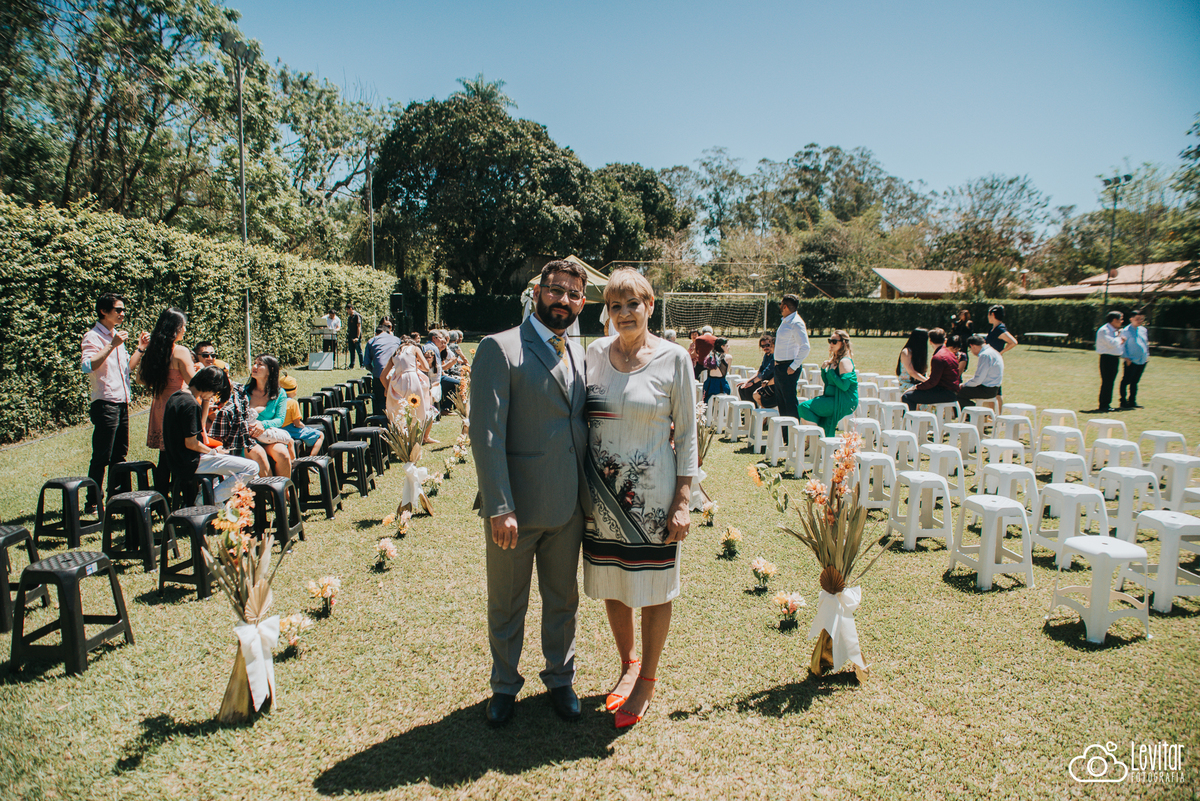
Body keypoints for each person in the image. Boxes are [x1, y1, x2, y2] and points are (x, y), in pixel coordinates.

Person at [470, 259, 590, 728]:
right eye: (555, 290)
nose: (563, 300)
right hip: (514, 511)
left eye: (573, 294)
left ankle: (561, 678)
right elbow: (487, 435)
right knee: (506, 603)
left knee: (563, 599)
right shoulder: (499, 347)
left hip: (568, 507)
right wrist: (499, 506)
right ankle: (504, 685)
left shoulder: (579, 351)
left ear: (582, 302)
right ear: (537, 291)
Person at [581, 268, 696, 729]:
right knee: (613, 581)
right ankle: (628, 664)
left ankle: (646, 679)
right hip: (600, 496)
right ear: (607, 312)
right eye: (616, 306)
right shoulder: (593, 354)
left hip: (652, 498)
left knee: (653, 586)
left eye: (633, 304)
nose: (625, 313)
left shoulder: (674, 359)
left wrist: (683, 500)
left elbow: (687, 435)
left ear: (650, 306)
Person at [81, 293, 149, 511]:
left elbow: (127, 368)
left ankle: (117, 498)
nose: (122, 314)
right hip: (105, 403)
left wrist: (140, 348)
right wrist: (112, 344)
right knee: (102, 455)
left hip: (121, 402)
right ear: (103, 311)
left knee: (119, 454)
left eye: (123, 310)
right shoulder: (93, 337)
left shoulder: (115, 336)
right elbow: (87, 366)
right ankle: (93, 501)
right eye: (118, 310)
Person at [161, 366, 260, 505]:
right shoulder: (191, 405)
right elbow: (191, 443)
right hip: (191, 461)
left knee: (231, 469)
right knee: (252, 467)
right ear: (210, 387)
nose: (214, 395)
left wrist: (206, 400)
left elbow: (199, 428)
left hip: (177, 460)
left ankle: (213, 500)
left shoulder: (178, 396)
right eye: (215, 392)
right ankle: (206, 500)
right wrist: (213, 452)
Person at [138, 308, 199, 494]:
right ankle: (186, 497)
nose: (185, 330)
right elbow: (194, 382)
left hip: (160, 405)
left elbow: (140, 379)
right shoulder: (180, 351)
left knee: (164, 456)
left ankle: (161, 498)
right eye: (183, 326)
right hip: (178, 406)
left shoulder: (153, 351)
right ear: (175, 328)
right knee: (182, 453)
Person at [796, 330, 857, 436]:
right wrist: (824, 370)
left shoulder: (844, 361)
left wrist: (832, 372)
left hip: (843, 401)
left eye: (834, 341)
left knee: (804, 407)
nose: (831, 344)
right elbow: (829, 383)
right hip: (832, 398)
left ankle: (817, 438)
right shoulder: (835, 360)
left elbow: (844, 386)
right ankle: (820, 440)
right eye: (830, 341)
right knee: (815, 413)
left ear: (843, 343)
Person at [246, 354, 293, 478]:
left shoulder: (279, 393)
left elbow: (279, 420)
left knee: (282, 453)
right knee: (259, 454)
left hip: (268, 436)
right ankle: (272, 489)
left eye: (259, 364)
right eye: (254, 363)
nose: (254, 366)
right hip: (247, 438)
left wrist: (263, 424)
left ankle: (285, 489)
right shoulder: (244, 392)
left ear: (270, 370)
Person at [383, 334, 435, 441]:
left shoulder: (395, 353)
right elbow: (426, 367)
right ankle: (417, 437)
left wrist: (388, 389)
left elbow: (382, 376)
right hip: (412, 380)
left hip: (397, 382)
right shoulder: (414, 348)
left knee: (402, 410)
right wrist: (416, 364)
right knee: (416, 410)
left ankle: (404, 437)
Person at [774, 293, 811, 434]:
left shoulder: (796, 323)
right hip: (779, 366)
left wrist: (793, 366)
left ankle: (794, 436)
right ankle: (785, 437)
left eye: (781, 304)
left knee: (789, 403)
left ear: (785, 306)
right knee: (782, 403)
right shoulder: (785, 321)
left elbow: (805, 347)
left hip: (788, 367)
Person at [901, 329, 960, 410]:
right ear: (945, 340)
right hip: (952, 392)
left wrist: (916, 387)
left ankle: (912, 418)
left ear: (930, 341)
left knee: (907, 396)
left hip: (945, 393)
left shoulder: (938, 357)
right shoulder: (950, 354)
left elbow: (933, 382)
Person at [278, 375, 325, 455]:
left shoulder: (275, 401)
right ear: (295, 390)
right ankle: (311, 458)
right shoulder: (293, 403)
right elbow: (297, 424)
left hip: (278, 430)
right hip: (290, 430)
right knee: (320, 435)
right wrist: (303, 425)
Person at [365, 320, 402, 415]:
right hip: (395, 374)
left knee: (379, 399)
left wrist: (374, 371)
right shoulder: (397, 340)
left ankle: (380, 417)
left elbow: (366, 363)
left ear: (376, 333)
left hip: (379, 373)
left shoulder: (371, 341)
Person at [956, 335, 1003, 409]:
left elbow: (978, 380)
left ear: (972, 346)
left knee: (955, 392)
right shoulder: (994, 351)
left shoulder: (985, 355)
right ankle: (975, 411)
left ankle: (975, 412)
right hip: (995, 388)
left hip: (986, 389)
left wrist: (964, 385)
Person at [985, 305, 1018, 409]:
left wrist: (1000, 353)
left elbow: (1013, 342)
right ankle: (990, 413)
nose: (987, 317)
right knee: (990, 388)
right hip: (989, 361)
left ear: (992, 314)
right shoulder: (993, 329)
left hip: (994, 363)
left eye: (988, 314)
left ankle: (998, 414)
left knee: (996, 390)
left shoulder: (1000, 329)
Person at [1095, 310, 1125, 412]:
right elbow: (1111, 343)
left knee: (1110, 382)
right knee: (1107, 382)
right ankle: (1104, 404)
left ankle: (1107, 403)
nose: (1122, 321)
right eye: (1120, 319)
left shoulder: (1115, 331)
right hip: (1107, 358)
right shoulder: (1104, 330)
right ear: (1114, 320)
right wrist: (1120, 338)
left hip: (1114, 358)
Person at [1119, 309, 1149, 409]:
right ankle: (1123, 402)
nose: (1140, 321)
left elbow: (1145, 343)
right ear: (1131, 319)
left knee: (1135, 382)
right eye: (1137, 319)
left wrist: (1147, 356)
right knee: (1126, 381)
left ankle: (1132, 401)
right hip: (1131, 360)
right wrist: (1126, 357)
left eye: (1141, 319)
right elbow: (1122, 346)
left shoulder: (1143, 330)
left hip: (1142, 360)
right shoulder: (1125, 331)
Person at [738, 335, 777, 408]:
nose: (765, 348)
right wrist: (748, 381)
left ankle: (754, 410)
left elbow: (765, 373)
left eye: (767, 345)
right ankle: (748, 411)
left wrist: (752, 382)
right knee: (742, 388)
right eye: (763, 346)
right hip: (762, 380)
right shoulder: (766, 356)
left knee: (748, 389)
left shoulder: (774, 356)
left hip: (770, 382)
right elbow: (759, 372)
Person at [895, 328, 929, 392]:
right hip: (906, 383)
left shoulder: (920, 353)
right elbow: (911, 372)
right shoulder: (906, 352)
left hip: (918, 383)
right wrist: (928, 382)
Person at [345, 303, 363, 370]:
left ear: (350, 309)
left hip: (356, 336)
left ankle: (362, 365)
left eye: (347, 310)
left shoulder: (357, 316)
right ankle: (351, 365)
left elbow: (359, 326)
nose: (347, 311)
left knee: (359, 351)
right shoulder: (350, 317)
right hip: (351, 336)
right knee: (351, 351)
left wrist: (357, 337)